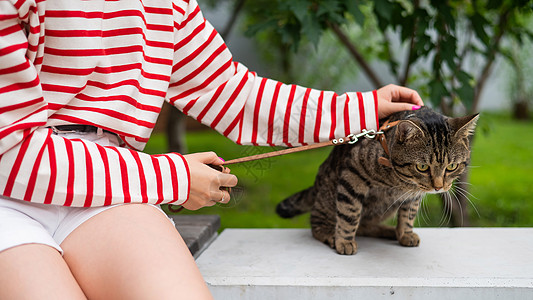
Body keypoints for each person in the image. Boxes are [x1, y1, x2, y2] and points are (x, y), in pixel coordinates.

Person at [0, 0, 424, 299]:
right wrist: (173, 178)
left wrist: (360, 110)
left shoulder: (166, 4)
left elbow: (231, 94)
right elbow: (12, 154)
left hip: (107, 188)